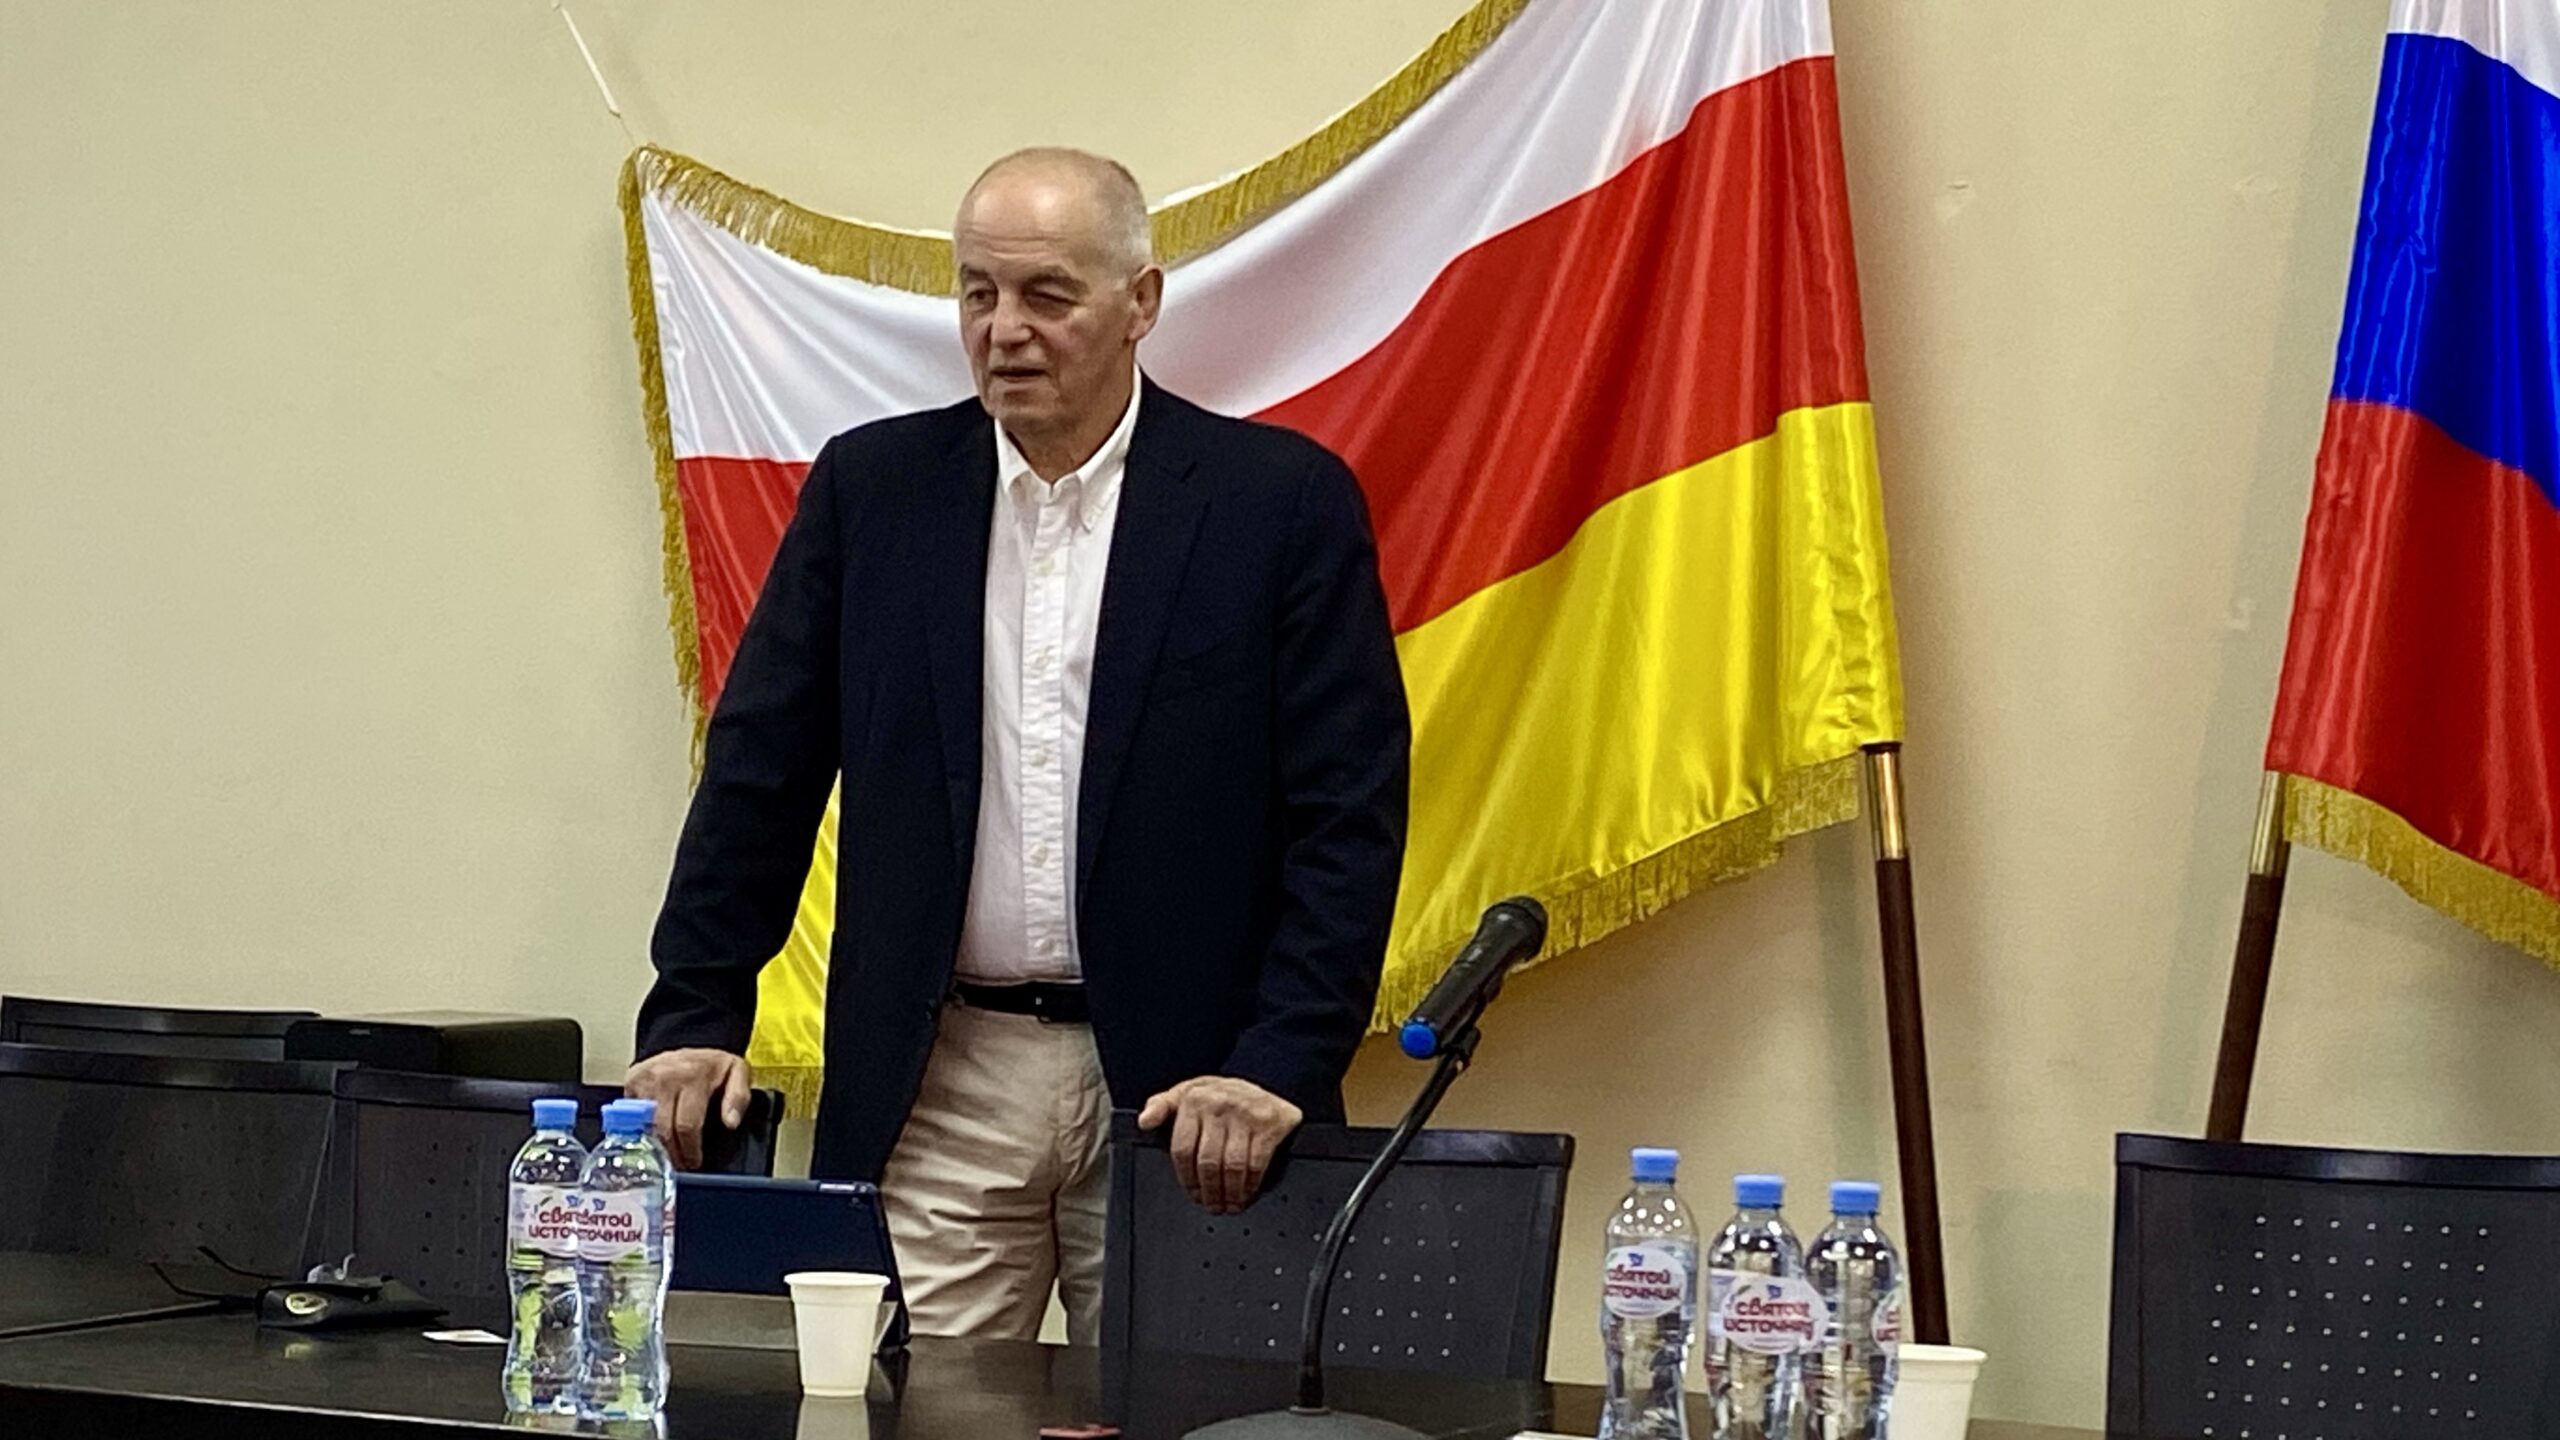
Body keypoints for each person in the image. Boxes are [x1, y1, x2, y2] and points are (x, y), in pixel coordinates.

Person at [625, 147, 1411, 1343]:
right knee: (908, 1410)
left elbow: (1346, 820)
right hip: (939, 1079)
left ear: (1140, 302)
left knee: (1199, 1407)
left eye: (1048, 295)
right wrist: (693, 1013)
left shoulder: (1276, 505)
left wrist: (1280, 1062)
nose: (1004, 331)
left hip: (1191, 1096)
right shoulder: (873, 494)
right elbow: (757, 780)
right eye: (978, 292)